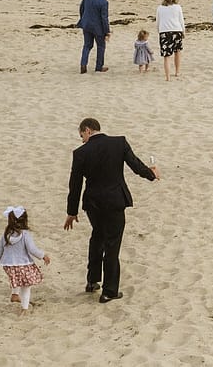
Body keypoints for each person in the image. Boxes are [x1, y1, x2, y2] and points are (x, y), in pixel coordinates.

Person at [64, 118, 160, 304]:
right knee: (112, 245)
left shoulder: (80, 153)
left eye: (82, 136)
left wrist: (72, 212)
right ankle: (109, 291)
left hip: (93, 203)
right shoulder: (119, 143)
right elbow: (136, 165)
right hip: (115, 201)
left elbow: (75, 185)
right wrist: (152, 174)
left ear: (87, 130)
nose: (82, 140)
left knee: (97, 237)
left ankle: (92, 281)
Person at [0, 206, 51, 315]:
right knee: (26, 286)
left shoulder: (6, 235)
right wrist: (43, 255)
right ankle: (24, 309)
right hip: (23, 263)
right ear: (24, 220)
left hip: (9, 265)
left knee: (18, 278)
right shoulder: (25, 234)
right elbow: (32, 249)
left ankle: (15, 295)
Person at [78, 0, 112, 73]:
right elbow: (104, 18)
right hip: (98, 28)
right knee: (101, 46)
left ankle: (83, 64)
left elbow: (81, 8)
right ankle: (99, 67)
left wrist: (83, 19)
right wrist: (107, 31)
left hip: (86, 25)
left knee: (87, 45)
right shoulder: (104, 2)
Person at [156, 0, 185, 81]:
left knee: (166, 56)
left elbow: (158, 21)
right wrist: (183, 31)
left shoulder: (160, 8)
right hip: (177, 31)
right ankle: (177, 72)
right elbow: (181, 20)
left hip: (164, 32)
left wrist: (159, 31)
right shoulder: (177, 7)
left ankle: (168, 77)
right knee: (177, 52)